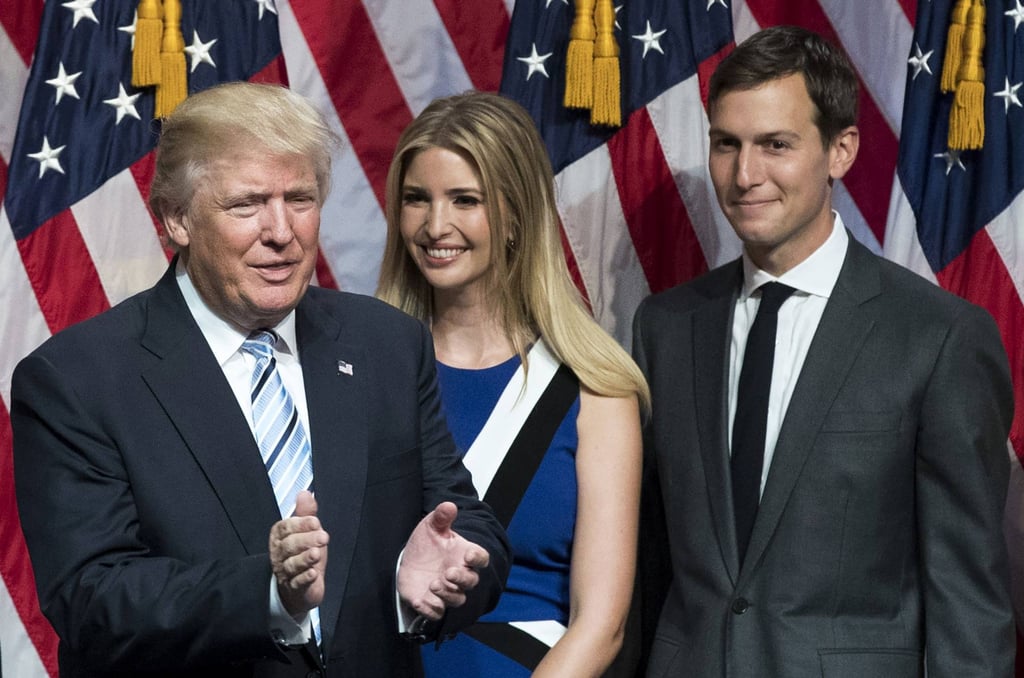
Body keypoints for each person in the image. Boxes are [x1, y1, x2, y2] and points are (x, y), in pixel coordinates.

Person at [11, 81, 510, 678]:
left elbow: (463, 519)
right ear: (176, 219)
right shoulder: (77, 380)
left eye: (299, 199)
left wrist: (448, 572)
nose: (281, 232)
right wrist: (269, 593)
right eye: (247, 204)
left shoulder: (385, 343)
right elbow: (93, 598)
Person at [632, 25, 1015, 678]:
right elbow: (648, 561)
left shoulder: (940, 337)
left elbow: (967, 602)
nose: (744, 175)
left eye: (775, 145)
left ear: (841, 150)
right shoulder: (665, 326)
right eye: (726, 144)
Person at [376, 90, 649, 677]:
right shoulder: (363, 367)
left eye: (465, 200)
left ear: (517, 216)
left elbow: (601, 625)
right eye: (416, 199)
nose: (435, 224)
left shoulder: (597, 388)